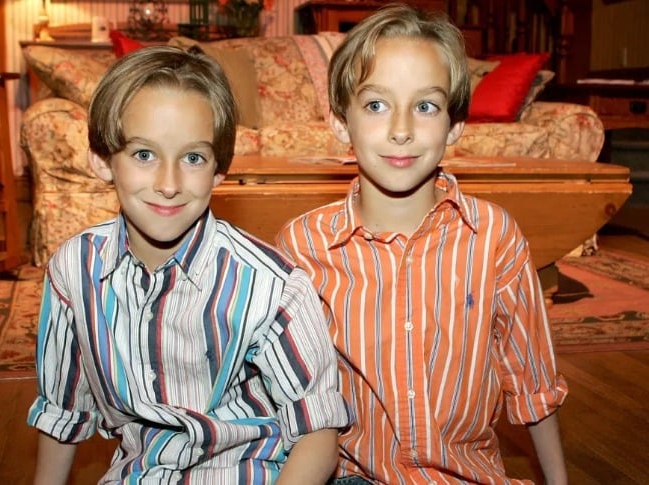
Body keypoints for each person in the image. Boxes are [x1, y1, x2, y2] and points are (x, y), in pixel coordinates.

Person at [28, 45, 351, 484]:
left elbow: (318, 432)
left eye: (193, 158)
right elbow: (62, 412)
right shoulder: (73, 270)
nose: (169, 184)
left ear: (218, 170)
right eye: (144, 155)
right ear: (102, 161)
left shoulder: (272, 286)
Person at [275, 5, 569, 484]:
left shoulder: (494, 237)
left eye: (425, 106)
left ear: (454, 125)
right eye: (376, 105)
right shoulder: (302, 246)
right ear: (340, 122)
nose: (401, 129)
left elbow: (533, 383)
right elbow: (289, 400)